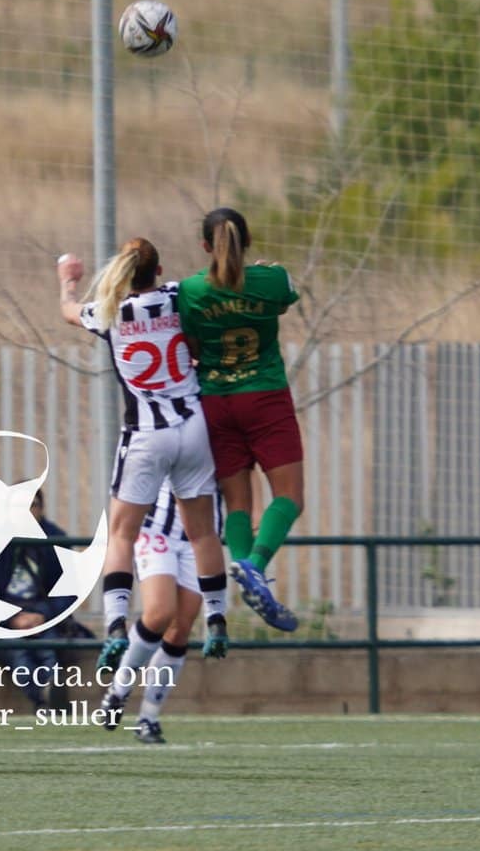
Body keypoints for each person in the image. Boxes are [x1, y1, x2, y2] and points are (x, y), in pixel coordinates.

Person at [58, 241, 230, 675]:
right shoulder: (177, 295)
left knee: (122, 532)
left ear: (121, 269)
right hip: (192, 427)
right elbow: (215, 285)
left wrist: (67, 283)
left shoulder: (109, 311)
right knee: (203, 533)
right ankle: (216, 618)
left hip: (146, 434)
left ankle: (116, 625)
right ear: (160, 269)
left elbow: (69, 311)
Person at [176, 207, 304, 632]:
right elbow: (287, 297)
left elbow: (191, 340)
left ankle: (249, 573)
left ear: (205, 246)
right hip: (264, 396)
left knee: (238, 503)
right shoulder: (272, 280)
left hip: (216, 400)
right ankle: (254, 565)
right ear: (246, 241)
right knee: (288, 496)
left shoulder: (191, 290)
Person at [98, 480, 231, 743]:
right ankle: (119, 688)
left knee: (180, 629)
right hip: (158, 527)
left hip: (203, 535)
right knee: (160, 613)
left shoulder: (224, 438)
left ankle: (149, 717)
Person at [0, 487, 77, 712]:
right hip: (1, 621)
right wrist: (12, 618)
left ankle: (52, 700)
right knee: (19, 654)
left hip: (43, 617)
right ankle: (46, 702)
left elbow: (70, 590)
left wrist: (42, 615)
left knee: (49, 651)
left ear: (41, 509)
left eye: (32, 505)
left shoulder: (56, 539)